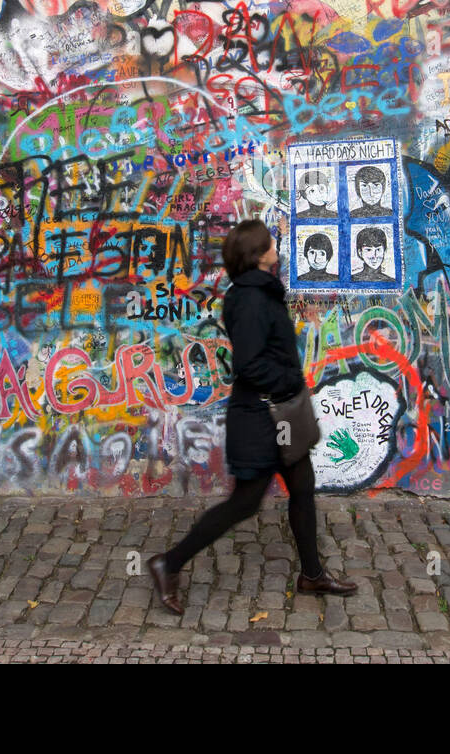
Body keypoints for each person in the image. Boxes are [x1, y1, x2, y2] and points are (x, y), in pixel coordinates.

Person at [148, 219, 356, 614]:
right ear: (259, 253)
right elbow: (250, 364)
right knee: (244, 503)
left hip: (277, 412)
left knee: (303, 487)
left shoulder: (261, 291)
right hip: (263, 416)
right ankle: (168, 562)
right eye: (270, 241)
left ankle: (312, 574)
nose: (275, 244)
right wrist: (291, 380)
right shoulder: (248, 299)